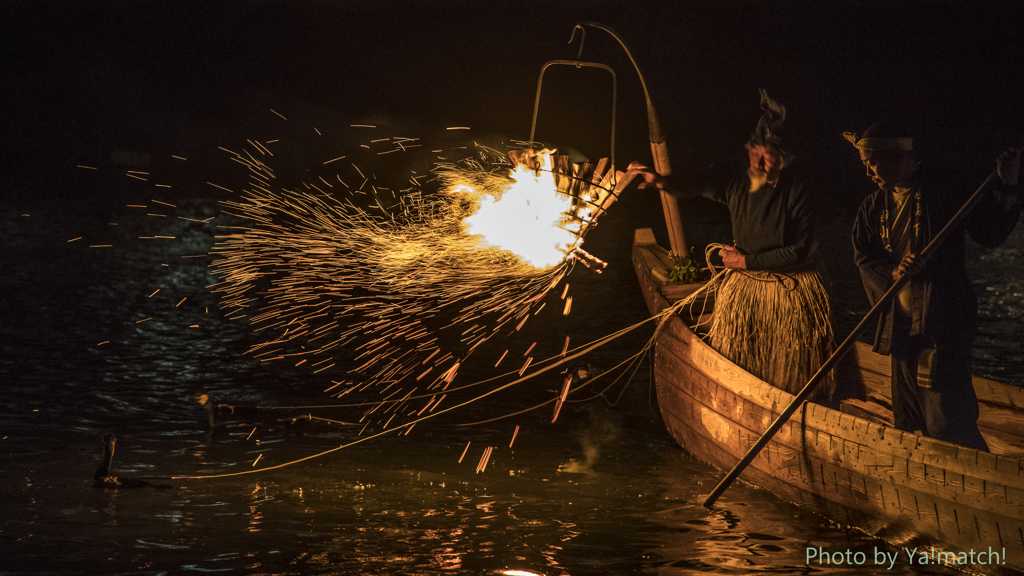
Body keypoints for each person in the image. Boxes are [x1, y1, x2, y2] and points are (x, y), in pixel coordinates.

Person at [631, 90, 835, 400]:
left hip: (788, 287)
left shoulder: (796, 190)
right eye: (756, 154)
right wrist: (661, 182)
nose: (759, 163)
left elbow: (797, 251)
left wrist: (744, 263)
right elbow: (699, 183)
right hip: (748, 289)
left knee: (790, 371)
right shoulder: (738, 178)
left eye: (769, 157)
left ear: (786, 160)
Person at [845, 122, 1021, 451]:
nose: (868, 172)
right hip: (899, 327)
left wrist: (1008, 183)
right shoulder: (873, 208)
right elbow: (864, 258)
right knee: (909, 417)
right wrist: (895, 272)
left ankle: (975, 482)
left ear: (897, 156)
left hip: (941, 326)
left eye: (872, 163)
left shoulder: (945, 190)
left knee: (945, 418)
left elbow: (991, 232)